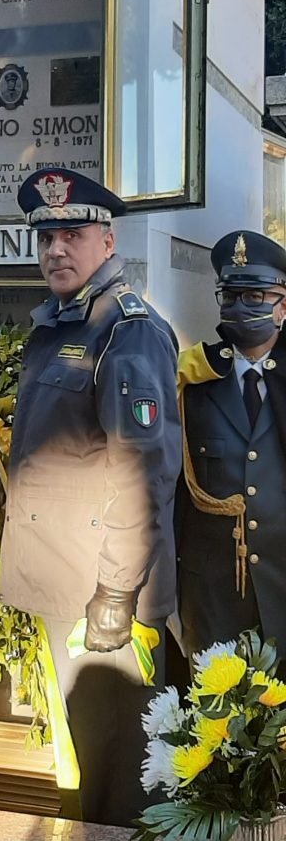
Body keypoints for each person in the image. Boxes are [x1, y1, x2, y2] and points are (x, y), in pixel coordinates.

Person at [0, 168, 181, 827]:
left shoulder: (126, 332)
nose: (55, 249)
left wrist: (114, 596)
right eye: (45, 236)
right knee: (91, 756)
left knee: (121, 767)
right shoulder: (64, 325)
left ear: (108, 240)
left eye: (72, 233)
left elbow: (142, 475)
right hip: (66, 583)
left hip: (101, 597)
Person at [176, 230, 286, 658]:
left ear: (283, 306)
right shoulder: (193, 379)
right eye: (231, 296)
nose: (241, 307)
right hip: (212, 593)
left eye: (256, 296)